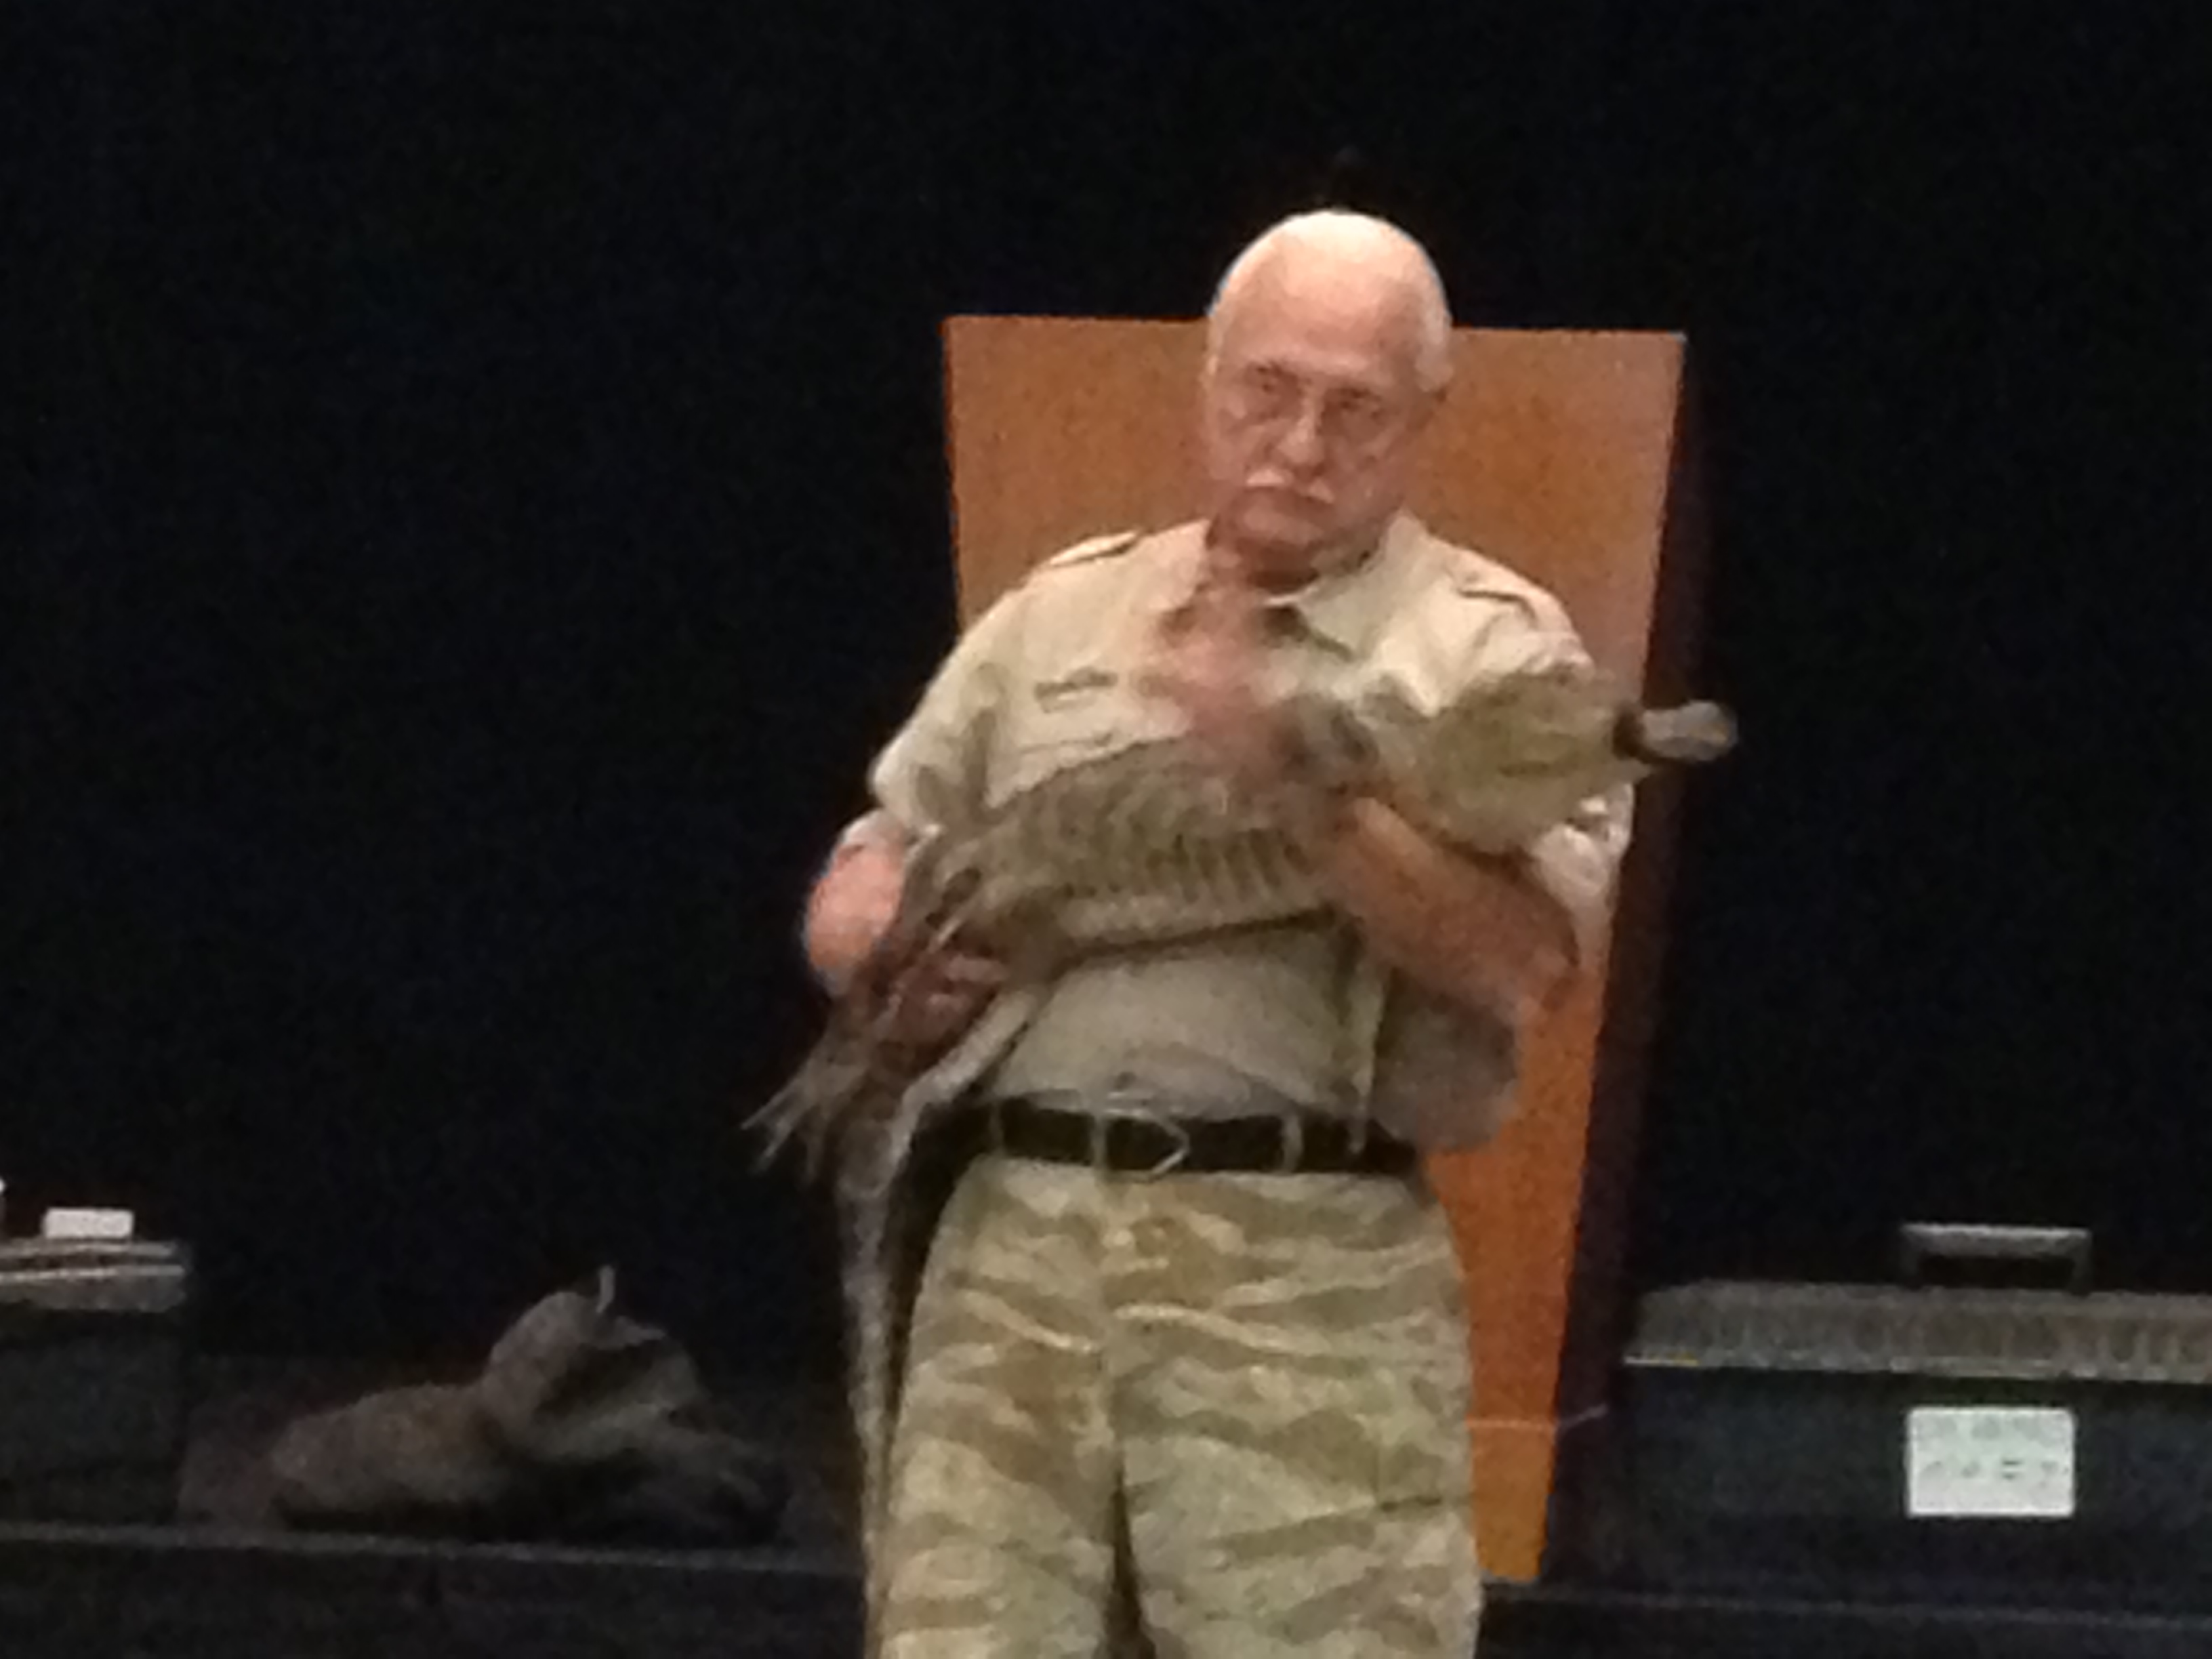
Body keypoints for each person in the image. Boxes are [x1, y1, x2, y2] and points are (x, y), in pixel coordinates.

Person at [800, 209, 1632, 1659]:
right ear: (1208, 382)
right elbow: (877, 849)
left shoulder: (1490, 653)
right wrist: (875, 948)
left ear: (1424, 421)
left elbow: (1522, 961)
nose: (1299, 444)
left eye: (1353, 410)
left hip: (1299, 1270)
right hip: (1014, 1256)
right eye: (1267, 390)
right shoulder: (1062, 615)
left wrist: (1305, 791)